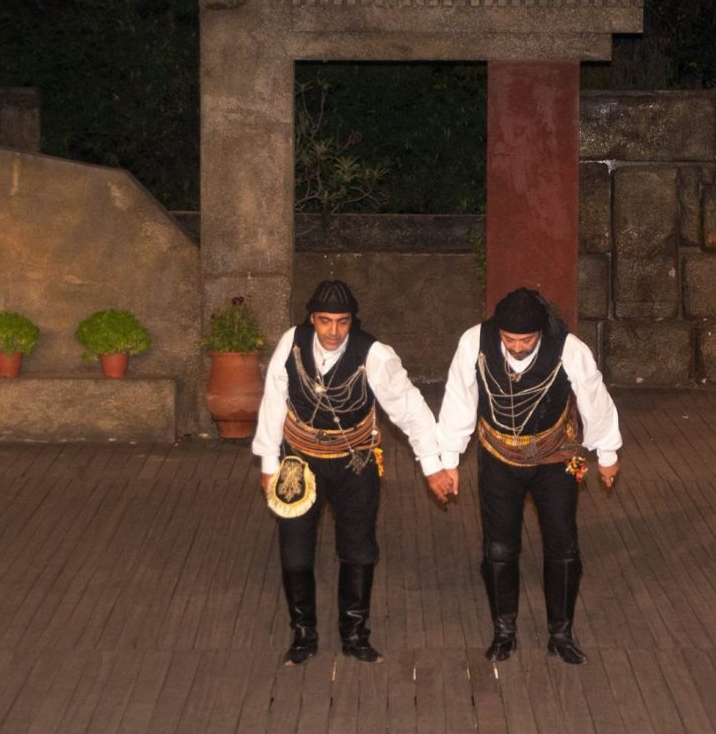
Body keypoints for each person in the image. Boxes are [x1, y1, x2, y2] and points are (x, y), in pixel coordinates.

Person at [253, 279, 454, 666]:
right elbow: (274, 400)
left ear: (351, 321)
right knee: (295, 553)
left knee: (359, 551)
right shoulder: (291, 343)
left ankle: (356, 634)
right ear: (312, 319)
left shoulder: (374, 354)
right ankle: (303, 634)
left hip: (355, 462)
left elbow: (408, 407)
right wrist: (268, 461)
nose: (332, 332)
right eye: (325, 321)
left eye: (342, 322)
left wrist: (433, 466)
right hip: (299, 461)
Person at [434, 287, 621, 665]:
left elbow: (594, 399)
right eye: (509, 340)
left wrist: (607, 453)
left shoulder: (569, 349)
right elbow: (459, 398)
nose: (517, 347)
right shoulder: (475, 342)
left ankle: (561, 634)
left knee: (563, 547)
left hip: (554, 457)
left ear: (541, 331)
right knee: (499, 549)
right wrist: (449, 459)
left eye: (526, 340)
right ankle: (504, 631)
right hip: (498, 457)